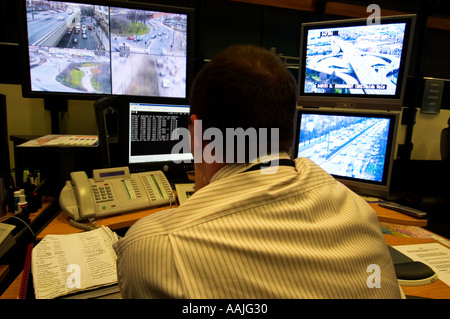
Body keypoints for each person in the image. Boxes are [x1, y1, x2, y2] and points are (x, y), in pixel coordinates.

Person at [113, 44, 403, 299]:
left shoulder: (151, 245)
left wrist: (204, 192)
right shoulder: (359, 211)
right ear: (289, 128)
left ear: (196, 132)